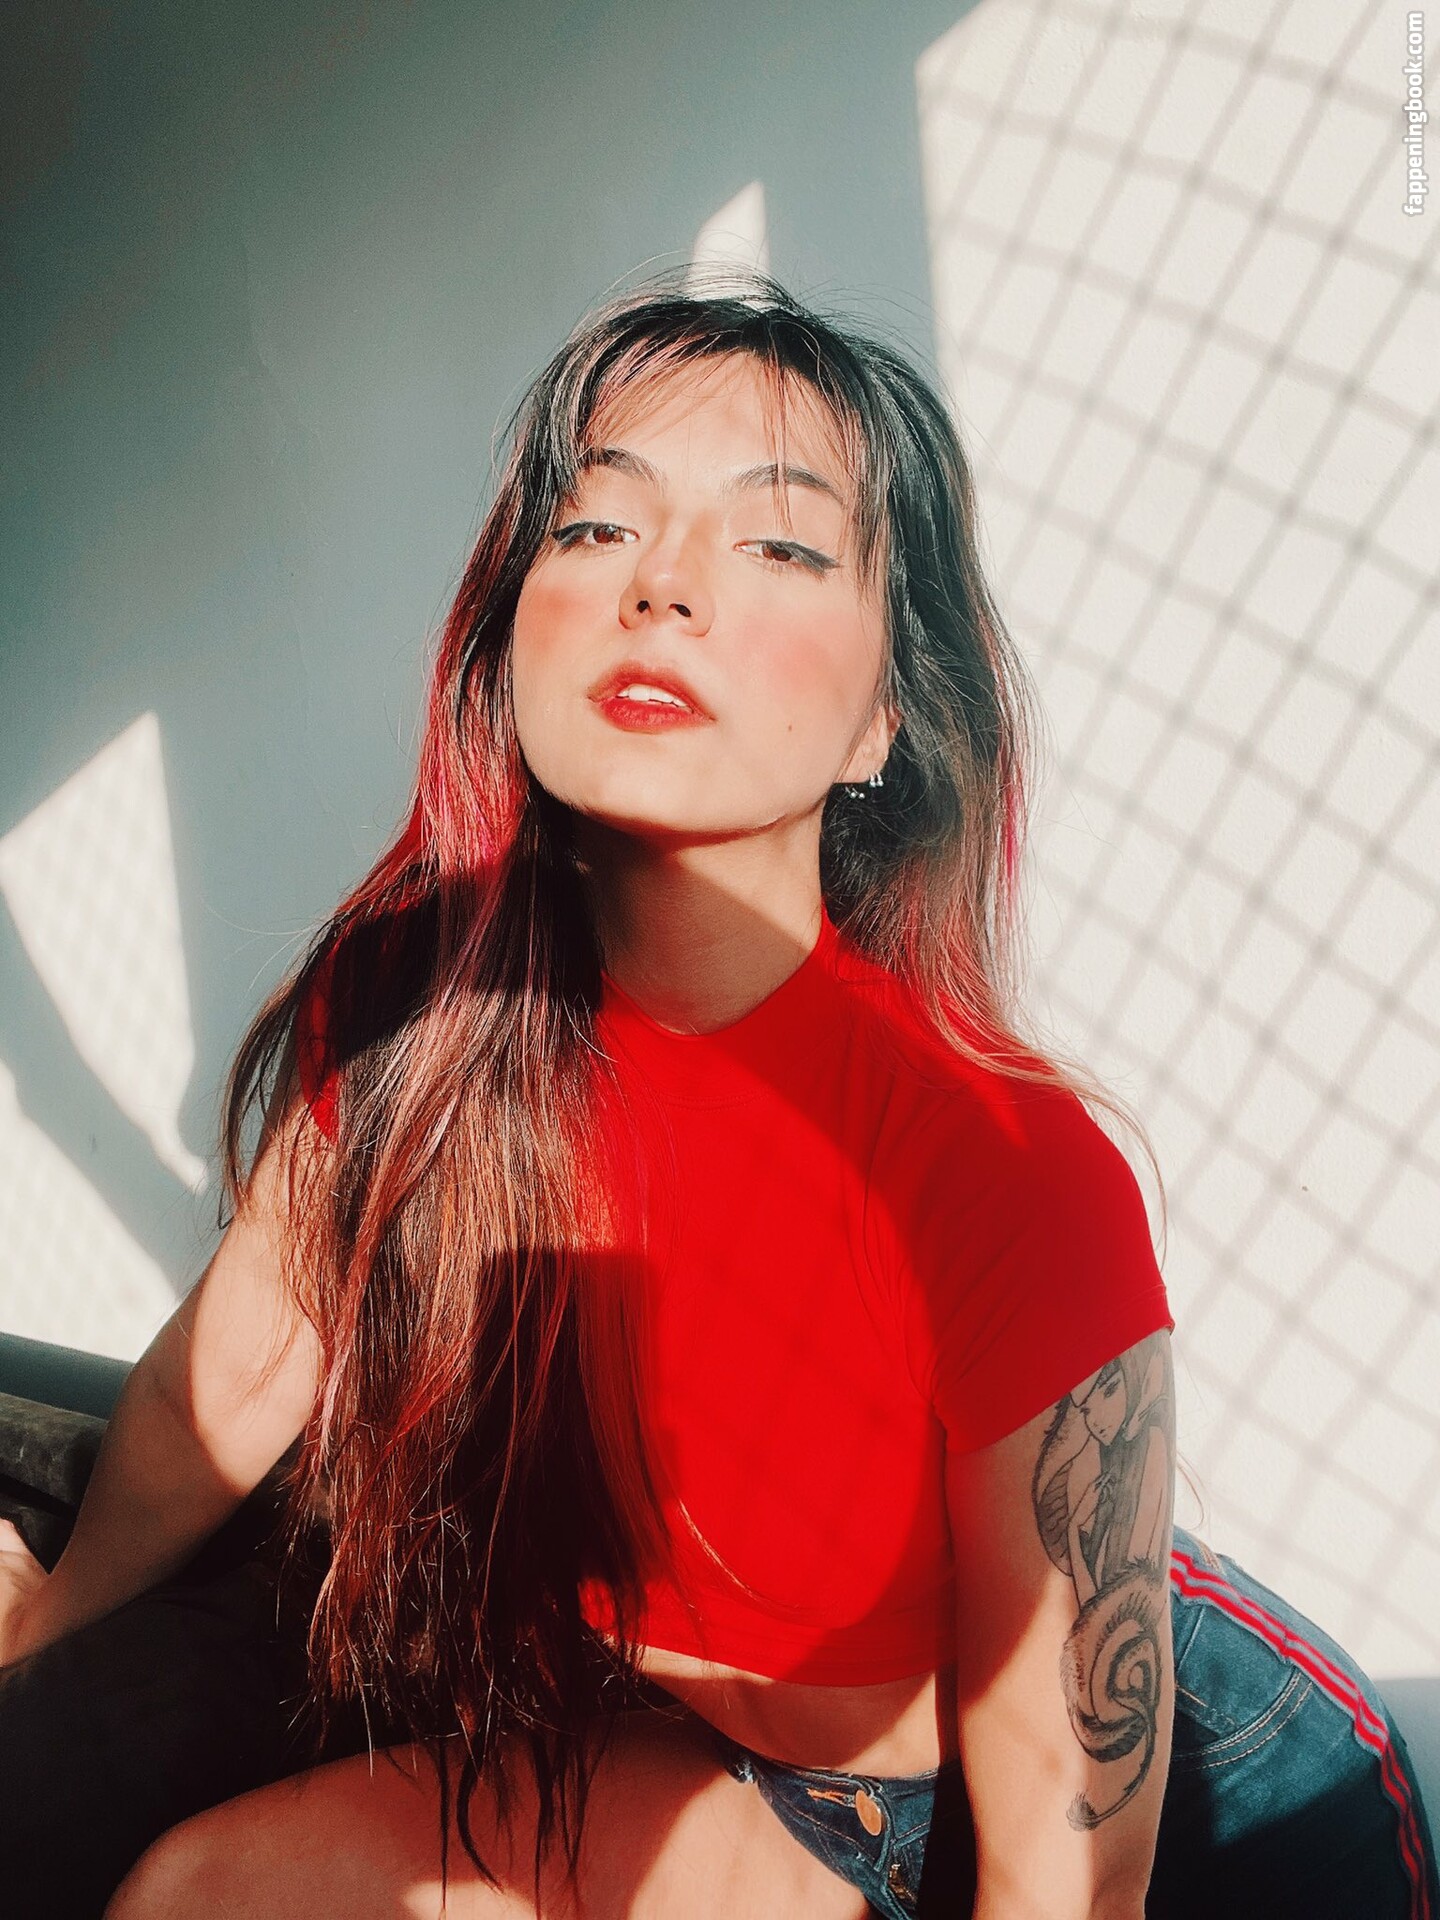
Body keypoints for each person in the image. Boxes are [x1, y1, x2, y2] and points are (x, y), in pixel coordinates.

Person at [0, 273, 1434, 1920]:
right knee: (191, 1897)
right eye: (597, 525)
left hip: (1192, 1821)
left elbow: (1065, 1870)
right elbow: (235, 1375)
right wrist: (50, 1622)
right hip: (749, 1771)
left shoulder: (1002, 1164)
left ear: (883, 720)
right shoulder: (412, 1024)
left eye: (779, 546)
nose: (662, 585)